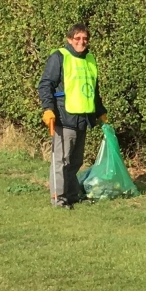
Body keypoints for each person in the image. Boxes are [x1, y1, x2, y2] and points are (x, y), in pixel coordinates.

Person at [38, 23, 107, 209]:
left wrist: (100, 112)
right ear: (70, 39)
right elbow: (45, 85)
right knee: (61, 160)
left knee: (76, 161)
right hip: (63, 116)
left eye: (84, 38)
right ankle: (58, 198)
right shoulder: (59, 57)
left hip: (83, 118)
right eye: (77, 38)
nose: (81, 42)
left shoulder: (90, 59)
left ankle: (71, 194)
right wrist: (48, 108)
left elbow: (93, 89)